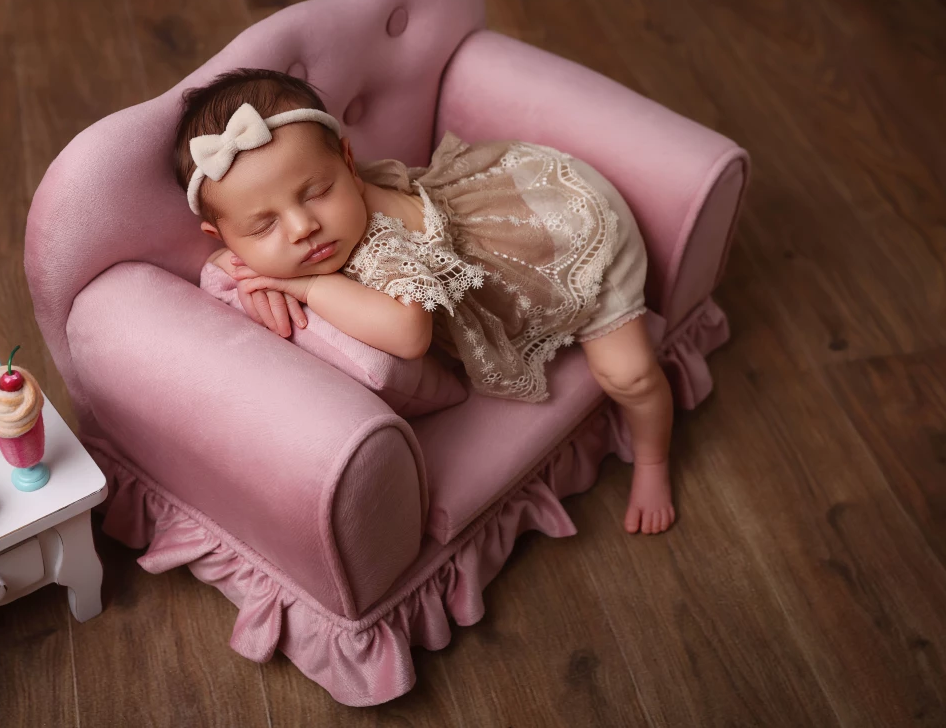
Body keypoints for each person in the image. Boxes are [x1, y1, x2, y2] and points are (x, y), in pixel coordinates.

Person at [173, 68, 676, 534]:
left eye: (317, 192)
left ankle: (653, 459)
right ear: (223, 234)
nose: (304, 227)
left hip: (572, 232)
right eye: (264, 226)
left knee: (625, 373)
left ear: (349, 164)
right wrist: (236, 264)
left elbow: (410, 334)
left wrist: (306, 287)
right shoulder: (299, 225)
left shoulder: (383, 240)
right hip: (519, 207)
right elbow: (224, 259)